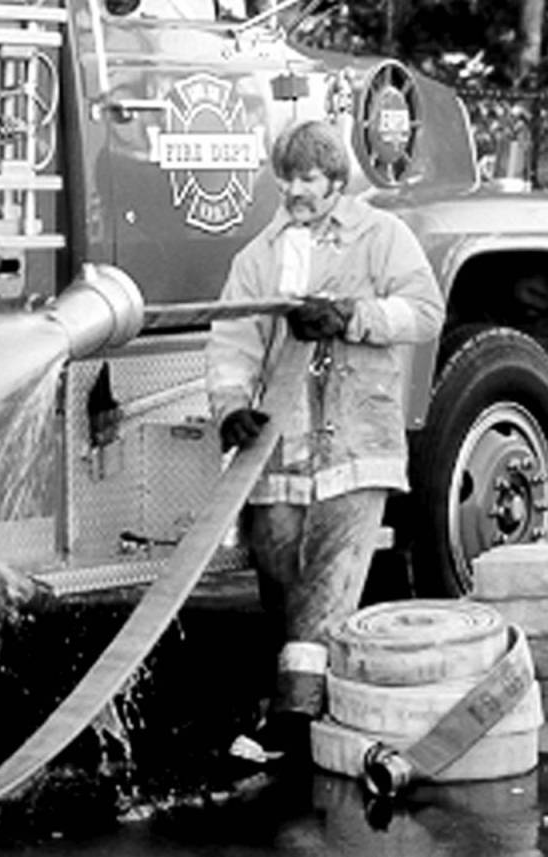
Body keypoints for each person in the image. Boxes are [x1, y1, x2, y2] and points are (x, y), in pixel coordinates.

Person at [203, 119, 446, 764]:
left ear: (336, 180)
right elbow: (233, 343)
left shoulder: (381, 237)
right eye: (286, 178)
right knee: (277, 568)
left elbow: (425, 312)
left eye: (307, 178)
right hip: (281, 449)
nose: (294, 191)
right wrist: (231, 408)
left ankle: (292, 717)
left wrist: (351, 317)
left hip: (356, 446)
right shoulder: (258, 257)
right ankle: (309, 696)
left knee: (328, 580)